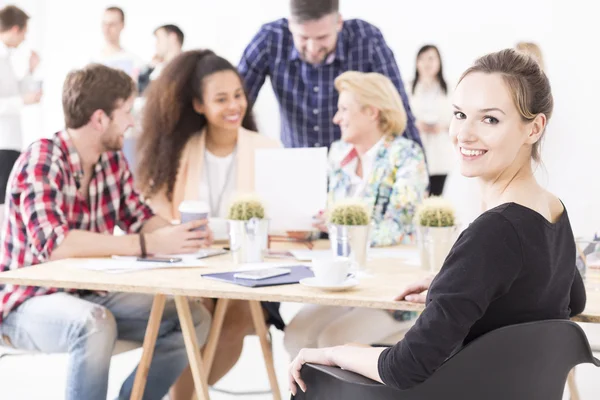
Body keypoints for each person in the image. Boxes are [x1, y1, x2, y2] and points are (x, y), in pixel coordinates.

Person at [288, 48, 586, 394]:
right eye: (460, 114)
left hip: (452, 391)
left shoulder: (494, 232)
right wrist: (461, 287)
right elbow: (570, 301)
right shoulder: (553, 210)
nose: (464, 134)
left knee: (311, 364)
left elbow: (406, 366)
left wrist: (340, 352)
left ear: (533, 128)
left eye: (489, 119)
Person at [0, 64, 213, 400]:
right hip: (27, 301)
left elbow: (137, 215)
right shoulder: (41, 158)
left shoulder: (108, 160)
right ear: (99, 119)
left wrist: (183, 236)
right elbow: (54, 244)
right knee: (95, 324)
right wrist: (147, 244)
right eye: (126, 112)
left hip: (90, 293)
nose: (132, 122)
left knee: (193, 318)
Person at [136, 49, 282, 397]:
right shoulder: (177, 151)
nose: (234, 106)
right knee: (191, 317)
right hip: (191, 271)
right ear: (199, 105)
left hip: (249, 273)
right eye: (221, 99)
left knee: (234, 318)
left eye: (238, 96)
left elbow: (284, 221)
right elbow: (151, 216)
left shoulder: (269, 148)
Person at [284, 71, 428, 357]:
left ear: (371, 112)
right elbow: (327, 216)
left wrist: (340, 227)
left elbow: (398, 228)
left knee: (334, 338)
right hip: (343, 282)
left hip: (389, 291)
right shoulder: (338, 154)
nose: (337, 118)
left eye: (344, 109)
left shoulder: (406, 155)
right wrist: (309, 227)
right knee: (295, 335)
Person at [238, 0, 421, 149]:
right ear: (290, 24)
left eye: (322, 37)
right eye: (303, 38)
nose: (313, 48)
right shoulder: (270, 39)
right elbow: (238, 104)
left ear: (339, 23)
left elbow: (397, 109)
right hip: (297, 161)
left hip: (357, 168)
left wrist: (416, 169)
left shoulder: (367, 39)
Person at [0, 5, 42, 228]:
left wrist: (30, 71)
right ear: (16, 29)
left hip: (11, 140)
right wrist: (22, 101)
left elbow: (14, 91)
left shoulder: (7, 59)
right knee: (3, 201)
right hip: (3, 142)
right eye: (24, 33)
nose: (24, 38)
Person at [409, 45, 453, 196]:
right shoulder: (408, 88)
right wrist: (416, 125)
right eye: (422, 59)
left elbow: (459, 118)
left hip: (440, 151)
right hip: (415, 151)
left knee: (435, 198)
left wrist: (443, 127)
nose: (427, 63)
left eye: (431, 59)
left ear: (439, 62)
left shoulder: (450, 88)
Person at [93, 6, 142, 80]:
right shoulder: (92, 61)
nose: (107, 29)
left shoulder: (134, 62)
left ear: (122, 25)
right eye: (104, 24)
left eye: (112, 24)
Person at [137, 24, 185, 94]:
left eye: (158, 39)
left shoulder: (189, 66)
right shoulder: (154, 69)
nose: (156, 44)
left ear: (172, 37)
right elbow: (141, 91)